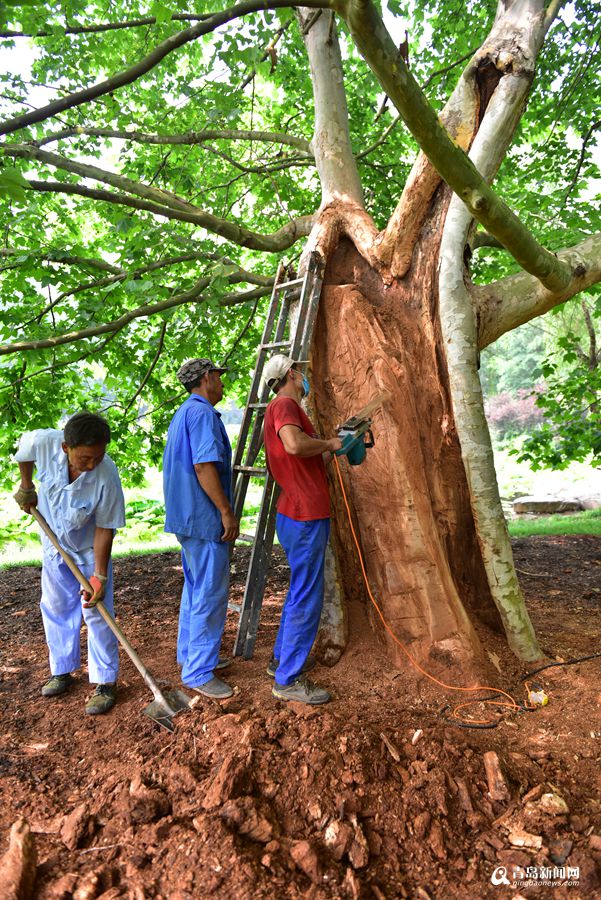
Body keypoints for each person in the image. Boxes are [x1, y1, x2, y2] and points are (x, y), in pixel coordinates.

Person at [13, 412, 125, 715]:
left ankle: (105, 682)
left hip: (90, 549)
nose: (92, 465)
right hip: (53, 543)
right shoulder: (46, 442)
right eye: (85, 458)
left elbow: (105, 527)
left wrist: (99, 575)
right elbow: (24, 448)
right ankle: (61, 669)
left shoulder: (107, 474)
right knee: (56, 605)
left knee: (98, 612)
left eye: (98, 457)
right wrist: (27, 485)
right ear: (66, 447)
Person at [262, 354, 342, 705]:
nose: (305, 377)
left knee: (300, 590)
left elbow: (305, 457)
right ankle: (288, 679)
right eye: (302, 371)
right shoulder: (285, 405)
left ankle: (281, 660)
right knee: (307, 596)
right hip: (304, 514)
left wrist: (336, 445)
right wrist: (326, 443)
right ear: (292, 374)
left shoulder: (282, 409)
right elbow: (295, 445)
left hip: (295, 510)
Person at [163, 358, 239, 700]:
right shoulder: (204, 414)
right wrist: (226, 511)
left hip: (187, 517)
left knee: (195, 590)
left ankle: (190, 655)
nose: (222, 384)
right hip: (205, 518)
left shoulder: (183, 413)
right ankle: (198, 671)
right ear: (207, 378)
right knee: (209, 592)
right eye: (219, 378)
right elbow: (204, 465)